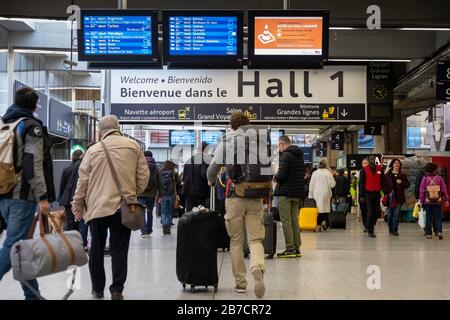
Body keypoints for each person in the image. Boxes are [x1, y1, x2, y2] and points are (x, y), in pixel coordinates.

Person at [72, 115, 149, 300]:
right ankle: (116, 290)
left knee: (96, 250)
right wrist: (131, 193)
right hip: (123, 207)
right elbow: (144, 176)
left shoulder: (92, 151)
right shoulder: (133, 147)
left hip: (97, 208)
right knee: (119, 250)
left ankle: (98, 289)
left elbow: (82, 182)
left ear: (100, 132)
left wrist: (76, 204)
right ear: (118, 127)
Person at [0, 87, 54, 300]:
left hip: (4, 195)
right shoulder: (31, 127)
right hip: (21, 197)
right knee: (14, 245)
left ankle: (33, 296)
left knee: (21, 248)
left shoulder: (6, 125)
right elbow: (33, 164)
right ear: (33, 105)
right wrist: (43, 197)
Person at [207, 112, 267, 298]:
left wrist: (211, 180)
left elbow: (212, 170)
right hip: (256, 195)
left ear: (231, 125)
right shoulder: (258, 141)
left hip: (234, 196)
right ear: (248, 124)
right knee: (256, 239)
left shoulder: (226, 141)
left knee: (236, 241)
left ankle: (240, 283)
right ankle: (257, 267)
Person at [273, 135, 305, 258]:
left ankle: (289, 249)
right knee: (294, 220)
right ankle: (297, 247)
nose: (278, 149)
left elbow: (282, 175)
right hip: (297, 193)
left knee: (286, 221)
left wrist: (275, 178)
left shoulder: (285, 155)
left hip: (285, 193)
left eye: (278, 146)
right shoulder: (299, 155)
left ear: (282, 144)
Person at [59, 149, 88, 249]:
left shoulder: (67, 168)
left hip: (68, 200)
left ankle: (70, 245)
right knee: (83, 222)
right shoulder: (85, 167)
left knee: (70, 223)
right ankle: (82, 244)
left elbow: (62, 185)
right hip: (82, 198)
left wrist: (61, 201)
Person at [359, 155, 391, 238]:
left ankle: (370, 223)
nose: (372, 160)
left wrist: (386, 192)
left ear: (375, 160)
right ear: (368, 160)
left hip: (377, 193)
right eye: (371, 159)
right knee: (370, 212)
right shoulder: (364, 170)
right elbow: (361, 184)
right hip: (367, 194)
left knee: (376, 212)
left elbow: (383, 182)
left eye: (373, 159)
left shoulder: (380, 169)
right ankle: (370, 230)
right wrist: (361, 195)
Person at [419, 162, 449, 240]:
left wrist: (421, 201)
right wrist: (446, 199)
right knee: (438, 217)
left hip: (427, 201)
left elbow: (422, 191)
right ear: (435, 169)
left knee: (428, 217)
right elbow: (444, 189)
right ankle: (439, 231)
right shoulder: (439, 178)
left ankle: (429, 233)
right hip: (437, 201)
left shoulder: (425, 178)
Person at [308, 158, 336, 232]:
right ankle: (323, 221)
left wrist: (310, 196)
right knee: (325, 209)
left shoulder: (315, 173)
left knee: (318, 210)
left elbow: (311, 185)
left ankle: (318, 225)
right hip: (326, 193)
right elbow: (333, 185)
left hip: (316, 193)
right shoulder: (328, 173)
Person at [182, 142, 211, 212]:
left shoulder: (188, 160)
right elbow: (204, 175)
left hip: (188, 192)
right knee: (201, 215)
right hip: (201, 193)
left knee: (190, 215)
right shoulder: (205, 160)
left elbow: (184, 177)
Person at [386, 159, 410, 236]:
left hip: (399, 198)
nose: (397, 164)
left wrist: (401, 182)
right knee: (389, 216)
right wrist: (387, 192)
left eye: (398, 163)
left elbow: (407, 185)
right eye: (395, 163)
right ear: (392, 164)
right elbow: (383, 185)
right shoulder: (387, 174)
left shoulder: (402, 175)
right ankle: (390, 228)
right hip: (390, 198)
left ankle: (395, 230)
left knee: (396, 215)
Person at [138, 151, 157, 238]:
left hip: (141, 192)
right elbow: (158, 180)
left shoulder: (140, 164)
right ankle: (149, 230)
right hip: (151, 193)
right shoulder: (155, 166)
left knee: (141, 212)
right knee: (149, 212)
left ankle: (144, 231)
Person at [157, 160, 178, 235]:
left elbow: (158, 185)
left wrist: (159, 195)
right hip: (171, 195)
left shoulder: (159, 173)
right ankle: (168, 227)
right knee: (169, 212)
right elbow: (176, 184)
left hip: (162, 195)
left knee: (163, 211)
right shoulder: (174, 173)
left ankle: (164, 225)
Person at [357, 158, 369, 231]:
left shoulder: (371, 171)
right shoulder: (359, 172)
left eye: (366, 163)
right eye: (364, 163)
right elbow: (358, 185)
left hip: (370, 194)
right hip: (362, 195)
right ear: (362, 164)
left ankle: (369, 224)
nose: (365, 164)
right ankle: (365, 225)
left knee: (370, 211)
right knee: (364, 211)